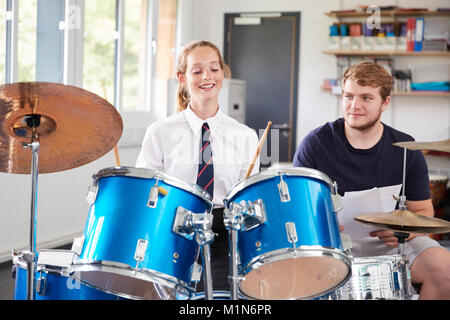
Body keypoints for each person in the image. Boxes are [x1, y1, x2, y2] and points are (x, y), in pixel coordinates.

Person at [293, 61, 450, 300]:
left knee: (445, 269)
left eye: (366, 98)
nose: (354, 106)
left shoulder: (406, 149)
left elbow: (423, 211)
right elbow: (298, 210)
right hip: (332, 245)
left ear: (385, 102)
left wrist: (407, 231)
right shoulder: (315, 144)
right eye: (348, 96)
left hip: (393, 245)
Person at [136, 40, 260, 294]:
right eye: (197, 71)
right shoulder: (160, 132)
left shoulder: (245, 136)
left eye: (214, 69)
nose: (207, 77)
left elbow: (247, 196)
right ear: (181, 77)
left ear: (223, 74)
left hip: (223, 233)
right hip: (173, 228)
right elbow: (147, 190)